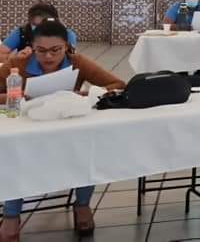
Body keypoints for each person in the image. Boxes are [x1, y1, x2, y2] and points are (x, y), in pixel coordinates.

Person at [0, 21, 125, 241]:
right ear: (32, 47)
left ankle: (82, 205)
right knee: (13, 155)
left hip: (67, 130)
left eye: (55, 50)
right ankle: (11, 214)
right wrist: (16, 97)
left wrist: (84, 94)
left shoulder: (77, 62)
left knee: (86, 148)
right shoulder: (18, 64)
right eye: (41, 50)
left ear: (66, 46)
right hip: (27, 130)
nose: (48, 56)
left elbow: (117, 84)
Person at [0, 2, 78, 58]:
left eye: (44, 25)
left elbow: (71, 59)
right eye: (35, 25)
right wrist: (16, 57)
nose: (41, 30)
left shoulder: (67, 34)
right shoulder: (22, 32)